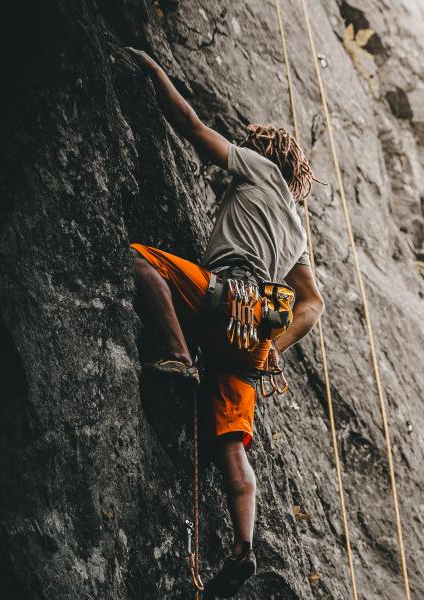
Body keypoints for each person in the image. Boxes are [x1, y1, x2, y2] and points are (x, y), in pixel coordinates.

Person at [127, 47, 325, 597]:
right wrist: (276, 345)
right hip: (254, 331)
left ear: (266, 153)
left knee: (141, 264)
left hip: (223, 295)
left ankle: (175, 356)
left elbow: (191, 128)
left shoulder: (257, 167)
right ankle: (243, 547)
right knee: (231, 443)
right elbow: (313, 303)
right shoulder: (298, 232)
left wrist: (154, 72)